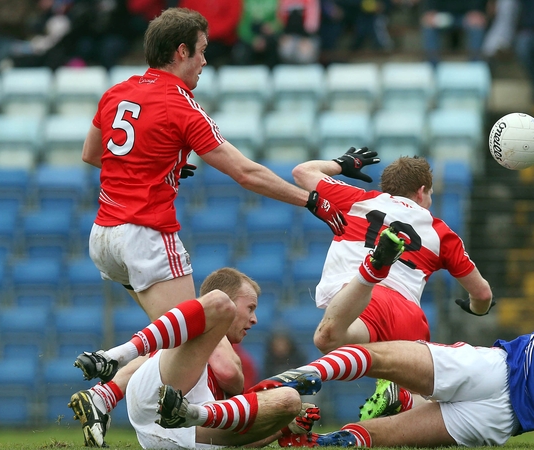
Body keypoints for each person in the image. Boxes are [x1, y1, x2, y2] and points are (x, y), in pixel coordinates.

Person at [163, 139, 534, 448]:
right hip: (502, 418)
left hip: (491, 365)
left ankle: (297, 388)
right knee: (374, 434)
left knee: (352, 348)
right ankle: (329, 427)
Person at [68, 7, 346, 447]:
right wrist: (311, 199)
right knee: (204, 335)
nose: (204, 61)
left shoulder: (116, 92)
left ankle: (105, 394)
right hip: (146, 233)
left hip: (103, 238)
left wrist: (158, 163)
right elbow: (246, 174)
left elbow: (92, 153)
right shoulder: (181, 105)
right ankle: (120, 372)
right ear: (181, 51)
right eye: (201, 51)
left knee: (176, 336)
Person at [290, 149, 493, 419]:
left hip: (365, 301)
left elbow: (301, 172)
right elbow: (482, 293)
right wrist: (476, 308)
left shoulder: (357, 199)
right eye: (430, 195)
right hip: (408, 316)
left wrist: (340, 165)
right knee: (418, 410)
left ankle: (399, 394)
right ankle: (418, 400)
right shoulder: (441, 232)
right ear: (421, 191)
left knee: (330, 340)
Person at [75, 267, 322, 449]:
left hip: (177, 435)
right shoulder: (215, 326)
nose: (254, 319)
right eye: (250, 308)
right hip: (164, 402)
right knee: (208, 313)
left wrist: (283, 426)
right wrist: (243, 392)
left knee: (290, 401)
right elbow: (228, 372)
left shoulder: (183, 340)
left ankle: (104, 395)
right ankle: (114, 359)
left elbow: (240, 441)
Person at [420, 0, 488, 64]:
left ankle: (475, 67)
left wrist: (476, 10)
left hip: (466, 15)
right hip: (441, 15)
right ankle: (432, 67)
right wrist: (430, 10)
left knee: (477, 26)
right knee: (429, 26)